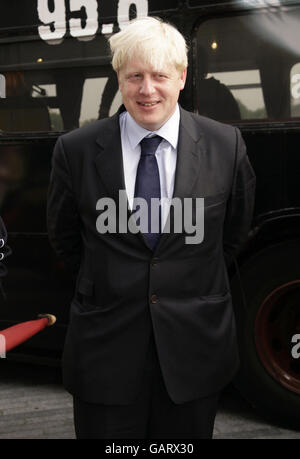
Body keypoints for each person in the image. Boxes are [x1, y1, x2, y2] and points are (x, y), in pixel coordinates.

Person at [47, 17, 256, 439]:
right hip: (105, 355)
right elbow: (66, 240)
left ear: (181, 77)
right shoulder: (76, 151)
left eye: (159, 76)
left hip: (194, 354)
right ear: (119, 79)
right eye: (134, 76)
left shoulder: (225, 145)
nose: (147, 90)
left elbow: (233, 234)